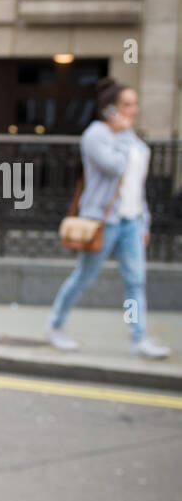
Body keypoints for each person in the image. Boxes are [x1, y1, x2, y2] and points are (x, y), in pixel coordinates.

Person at [48, 78, 170, 360]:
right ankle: (56, 325)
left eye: (135, 104)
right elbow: (115, 167)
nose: (132, 110)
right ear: (110, 108)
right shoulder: (96, 135)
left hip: (132, 220)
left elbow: (137, 186)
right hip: (103, 222)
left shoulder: (131, 139)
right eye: (126, 105)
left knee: (136, 281)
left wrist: (145, 222)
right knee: (84, 277)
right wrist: (123, 135)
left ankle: (138, 338)